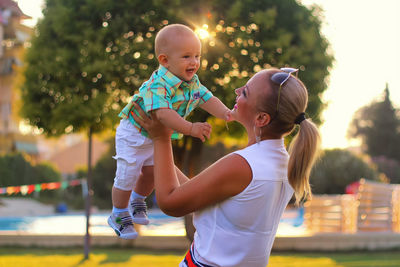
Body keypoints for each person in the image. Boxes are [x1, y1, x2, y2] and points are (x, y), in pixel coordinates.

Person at [131, 67, 321, 266]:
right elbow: (200, 196)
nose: (237, 91)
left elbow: (170, 203)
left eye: (245, 92)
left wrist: (161, 137)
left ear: (261, 119)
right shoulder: (284, 163)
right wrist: (157, 158)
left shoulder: (242, 165)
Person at [108, 23, 232, 239]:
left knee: (152, 173)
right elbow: (163, 115)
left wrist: (227, 113)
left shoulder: (191, 82)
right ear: (165, 60)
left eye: (197, 56)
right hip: (133, 133)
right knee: (127, 173)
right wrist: (191, 128)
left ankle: (138, 200)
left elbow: (207, 98)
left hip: (152, 136)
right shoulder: (158, 84)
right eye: (186, 56)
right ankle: (118, 213)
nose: (194, 62)